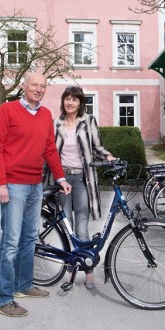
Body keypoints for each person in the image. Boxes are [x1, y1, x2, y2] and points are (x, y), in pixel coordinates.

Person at [0, 72, 72, 318]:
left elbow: (49, 148)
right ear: (24, 86)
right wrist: (0, 183)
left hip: (36, 185)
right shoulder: (7, 110)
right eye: (34, 84)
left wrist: (60, 177)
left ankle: (23, 286)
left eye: (43, 86)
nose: (39, 89)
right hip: (13, 185)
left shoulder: (45, 115)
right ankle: (3, 299)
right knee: (11, 243)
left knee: (28, 240)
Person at [53, 86, 115, 289]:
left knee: (81, 228)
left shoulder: (88, 121)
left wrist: (108, 156)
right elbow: (51, 154)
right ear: (63, 101)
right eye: (67, 99)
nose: (70, 103)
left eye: (74, 100)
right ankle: (71, 267)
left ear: (81, 103)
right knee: (68, 227)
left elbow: (97, 147)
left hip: (81, 180)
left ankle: (88, 270)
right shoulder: (57, 124)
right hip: (61, 180)